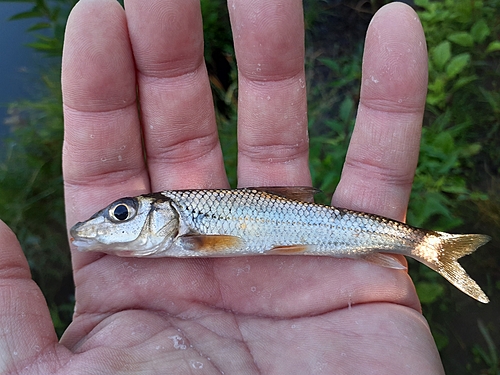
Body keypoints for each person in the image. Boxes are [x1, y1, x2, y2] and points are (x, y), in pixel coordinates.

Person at [0, 0, 446, 373]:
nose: (113, 220)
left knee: (366, 236)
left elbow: (223, 241)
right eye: (120, 213)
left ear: (165, 216)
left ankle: (424, 246)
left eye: (122, 213)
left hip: (305, 229)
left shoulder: (191, 234)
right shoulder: (176, 233)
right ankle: (417, 245)